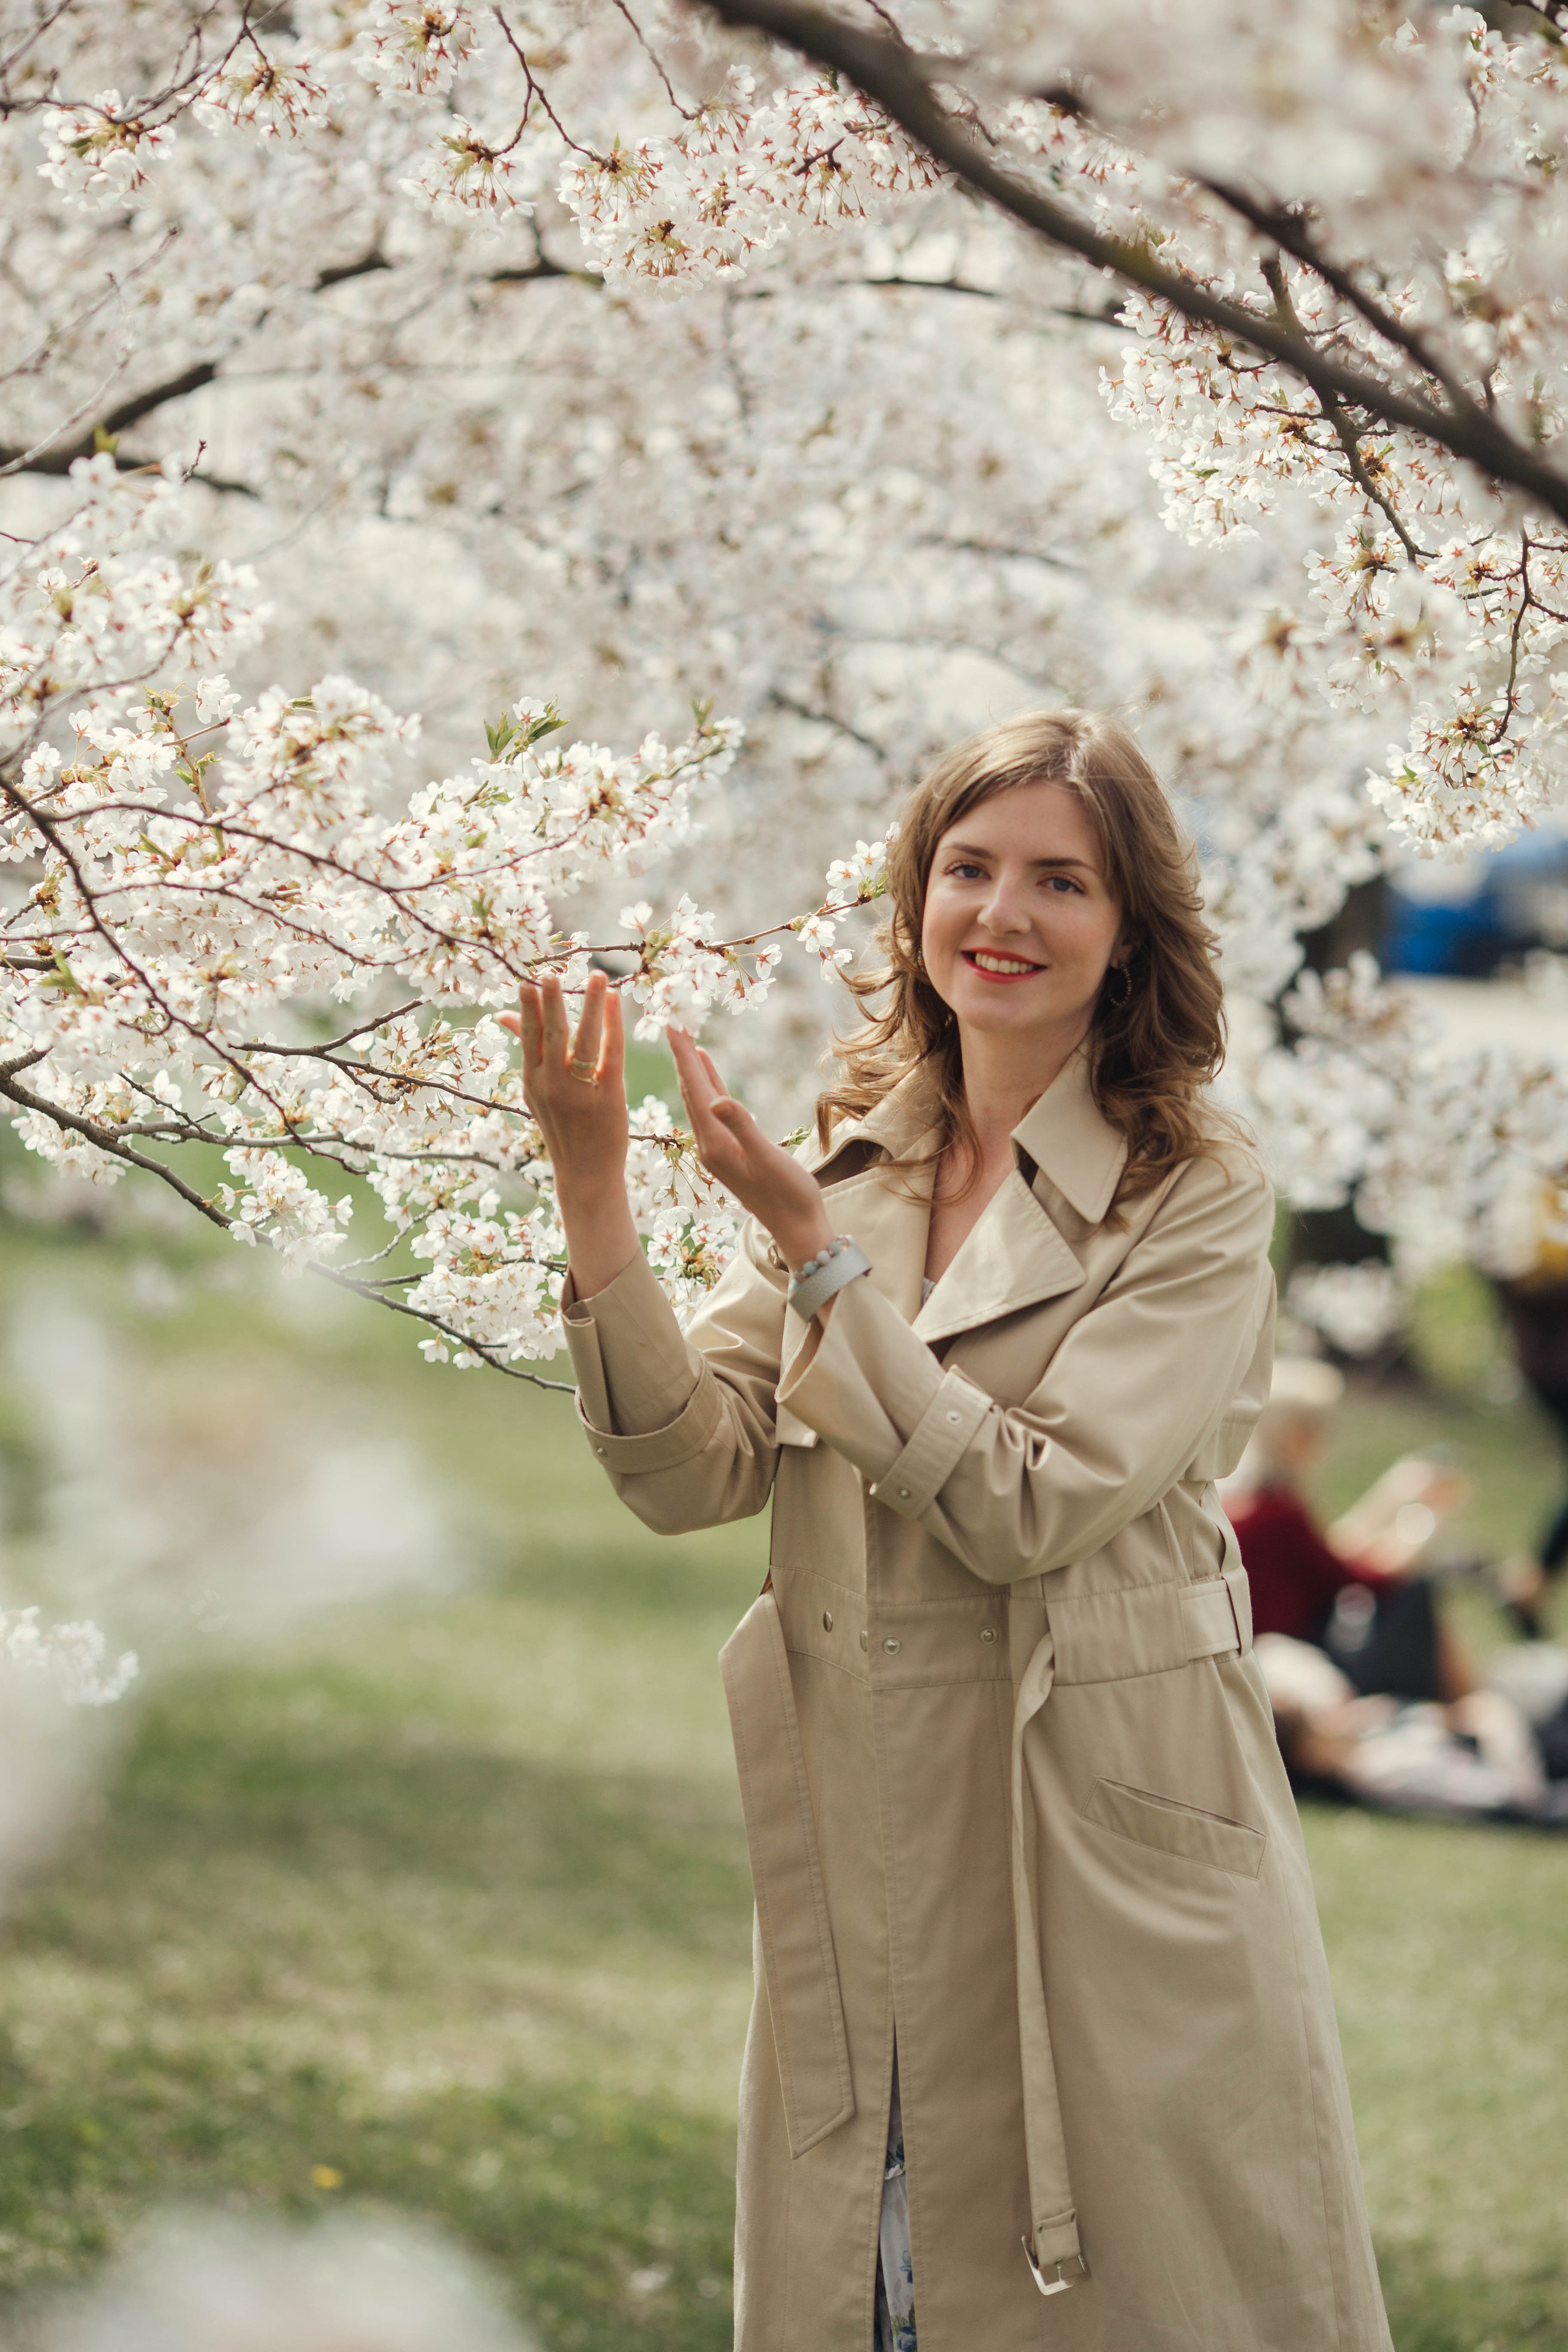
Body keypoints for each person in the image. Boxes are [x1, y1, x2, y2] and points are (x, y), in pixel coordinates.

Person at [510, 711, 1392, 2352]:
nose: (1002, 912)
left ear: (1128, 927)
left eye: (1061, 879)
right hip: (872, 1826)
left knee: (1144, 2294)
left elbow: (1031, 1503)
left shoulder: (1193, 1190)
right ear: (916, 893)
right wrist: (595, 1193)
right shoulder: (856, 1163)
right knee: (877, 2282)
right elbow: (688, 1471)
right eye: (969, 868)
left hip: (1097, 1839)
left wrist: (819, 1265)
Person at [1224, 1356, 1476, 1703]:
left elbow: (1332, 1555)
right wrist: (1428, 1520)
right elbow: (1362, 1578)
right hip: (1295, 1652)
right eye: (1314, 1428)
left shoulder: (1252, 1499)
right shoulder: (1276, 1511)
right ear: (1291, 1435)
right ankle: (1465, 1701)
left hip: (1284, 1643)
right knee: (1416, 1593)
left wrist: (1394, 1496)